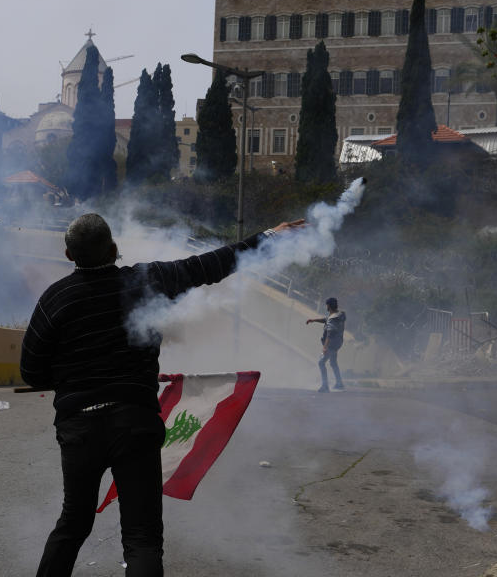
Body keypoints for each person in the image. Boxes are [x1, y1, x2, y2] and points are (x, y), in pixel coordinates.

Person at [20, 213, 304, 577]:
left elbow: (31, 371)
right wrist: (269, 236)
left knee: (73, 524)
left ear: (68, 254)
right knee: (141, 537)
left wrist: (72, 375)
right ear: (113, 248)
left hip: (80, 427)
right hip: (134, 422)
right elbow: (213, 264)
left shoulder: (54, 299)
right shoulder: (147, 280)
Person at [305, 297, 346, 392]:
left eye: (327, 305)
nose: (326, 306)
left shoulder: (333, 319)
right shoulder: (340, 315)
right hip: (338, 342)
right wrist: (314, 320)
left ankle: (325, 385)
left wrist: (325, 347)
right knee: (333, 363)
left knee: (321, 362)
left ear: (329, 306)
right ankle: (339, 383)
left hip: (331, 344)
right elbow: (326, 319)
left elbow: (330, 333)